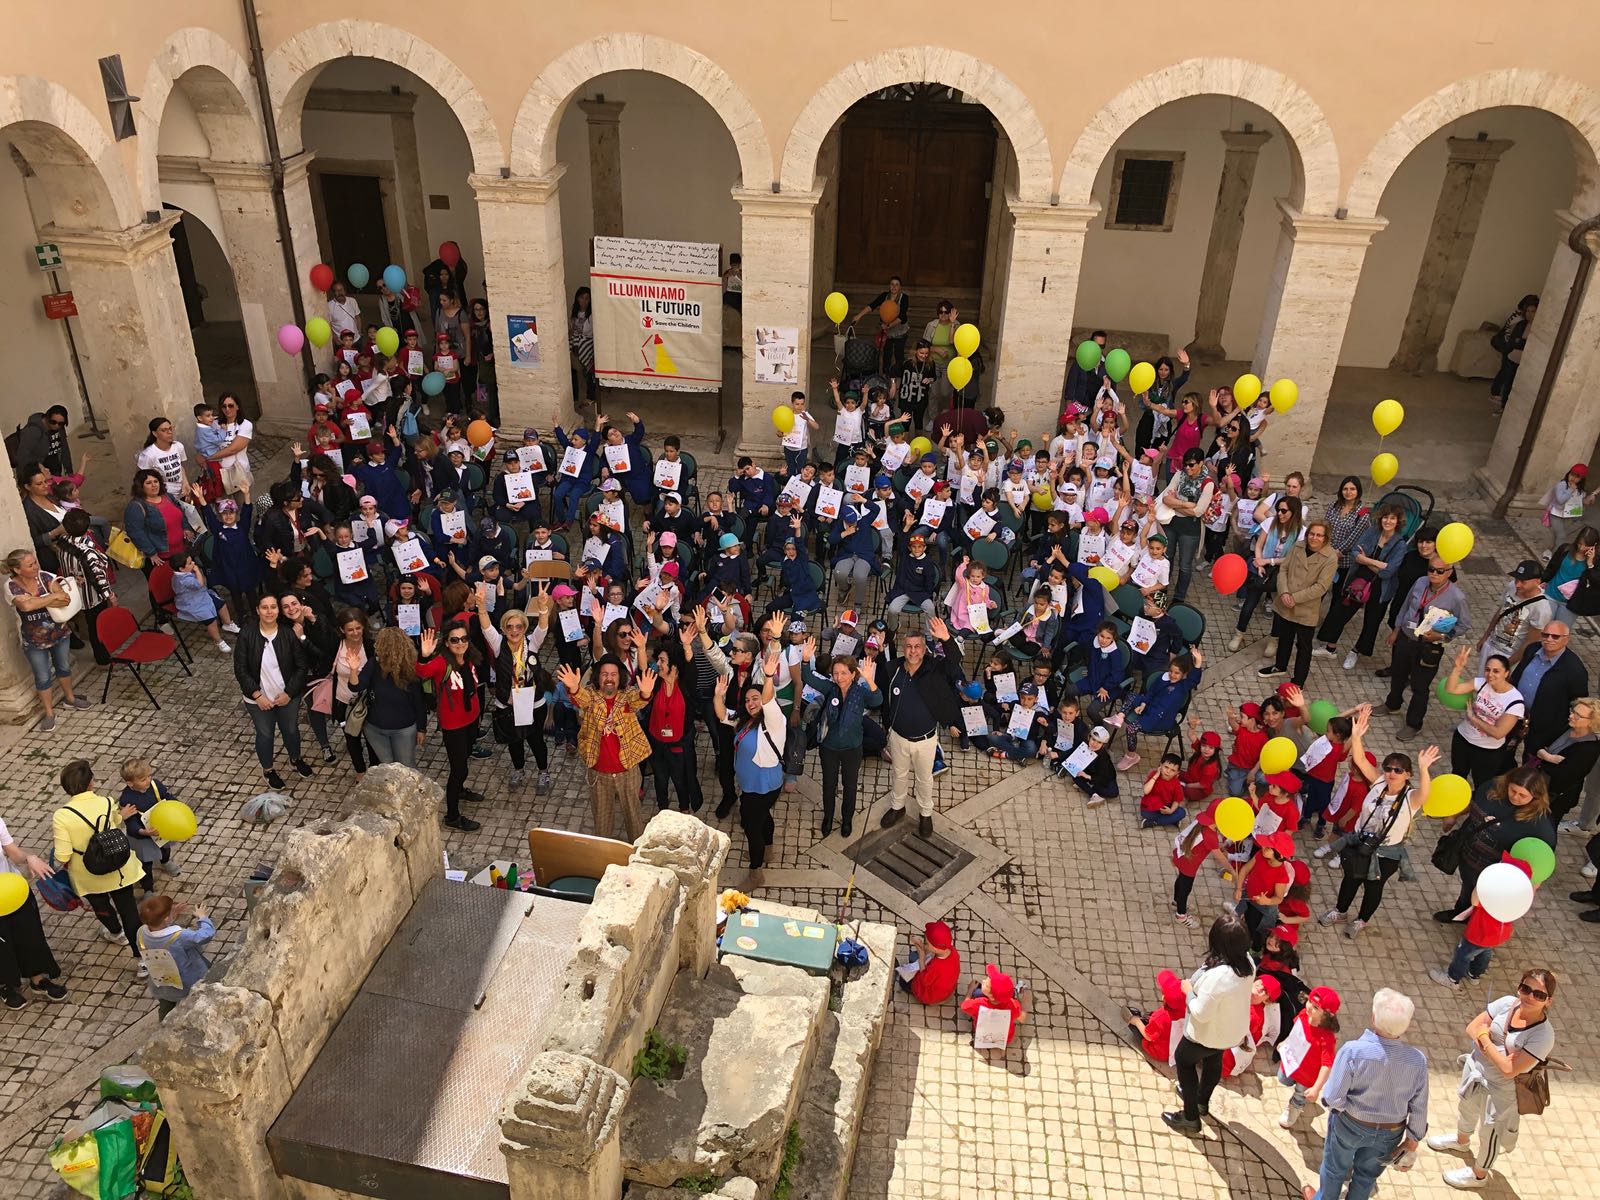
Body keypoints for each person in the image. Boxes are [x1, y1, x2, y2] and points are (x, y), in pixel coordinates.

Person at [1427, 968, 1557, 1189]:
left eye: (1539, 994)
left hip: (1502, 1090)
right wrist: (1492, 1047)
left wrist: (1485, 1040)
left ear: (1548, 1001)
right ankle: (1461, 1141)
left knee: (1491, 1132)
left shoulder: (1543, 1036)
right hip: (1476, 1071)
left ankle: (1479, 1175)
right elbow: (1472, 1028)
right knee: (1466, 1108)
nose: (1529, 996)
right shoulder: (1507, 1003)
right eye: (1526, 989)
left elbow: (1509, 1070)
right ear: (1519, 988)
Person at [1319, 709, 1436, 938]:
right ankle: (1340, 911)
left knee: (1373, 887)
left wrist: (1424, 769)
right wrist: (1357, 736)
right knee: (1350, 878)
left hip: (1386, 852)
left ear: (1407, 774)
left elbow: (1425, 795)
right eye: (1389, 768)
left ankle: (1361, 920)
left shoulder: (1410, 798)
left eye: (1398, 770)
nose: (1392, 773)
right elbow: (1360, 759)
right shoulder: (1379, 782)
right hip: (1360, 841)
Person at [1303, 988, 1429, 1200]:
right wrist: (1413, 1139)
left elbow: (1333, 1097)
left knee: (1334, 1171)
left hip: (1350, 1124)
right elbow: (1419, 1104)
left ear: (1373, 1018)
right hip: (1390, 1132)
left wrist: (1343, 1112)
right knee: (1366, 1178)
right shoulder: (1417, 1061)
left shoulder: (1353, 1051)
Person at [1162, 912, 1254, 1135]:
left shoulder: (1219, 977)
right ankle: (1202, 1101)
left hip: (1207, 1033)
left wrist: (1188, 993)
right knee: (1214, 1059)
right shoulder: (1247, 962)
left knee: (1185, 1062)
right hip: (1230, 1031)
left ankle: (1190, 1116)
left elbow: (1200, 1013)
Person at [52, 759, 145, 975]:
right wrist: (122, 816)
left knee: (101, 906)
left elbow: (62, 855)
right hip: (118, 867)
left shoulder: (62, 816)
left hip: (88, 873)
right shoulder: (106, 802)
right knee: (129, 911)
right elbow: (114, 823)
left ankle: (115, 933)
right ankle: (142, 960)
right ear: (90, 783)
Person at [879, 617, 964, 838]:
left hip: (926, 740)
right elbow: (878, 692)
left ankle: (926, 813)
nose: (913, 651)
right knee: (899, 774)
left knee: (924, 778)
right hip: (898, 737)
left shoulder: (935, 668)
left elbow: (955, 660)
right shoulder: (893, 669)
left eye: (917, 647)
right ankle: (898, 807)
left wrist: (946, 638)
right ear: (903, 649)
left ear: (924, 649)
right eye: (909, 646)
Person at [1434, 766, 1555, 922]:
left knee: (1486, 901)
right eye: (1513, 790)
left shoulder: (1540, 825)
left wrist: (1530, 887)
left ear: (1536, 796)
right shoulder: (1490, 788)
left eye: (1522, 795)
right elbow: (1472, 801)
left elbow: (1541, 861)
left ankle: (1479, 925)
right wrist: (1453, 815)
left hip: (1494, 870)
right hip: (1468, 855)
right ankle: (1461, 913)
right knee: (1468, 888)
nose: (1515, 797)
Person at [558, 655, 655, 842]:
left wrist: (646, 693)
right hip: (599, 774)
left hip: (628, 771)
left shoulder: (627, 696)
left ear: (620, 677)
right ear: (597, 677)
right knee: (602, 824)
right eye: (604, 674)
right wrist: (573, 688)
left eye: (613, 674)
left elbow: (639, 699)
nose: (609, 678)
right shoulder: (592, 696)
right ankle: (603, 861)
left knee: (634, 819)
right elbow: (582, 698)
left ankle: (638, 857)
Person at [1, 547, 91, 732]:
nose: (36, 566)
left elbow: (63, 600)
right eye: (30, 564)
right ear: (18, 570)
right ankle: (49, 713)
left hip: (59, 633)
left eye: (35, 562)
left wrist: (38, 600)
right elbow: (25, 606)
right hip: (33, 640)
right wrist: (51, 597)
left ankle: (70, 698)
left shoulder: (47, 576)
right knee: (42, 677)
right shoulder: (10, 585)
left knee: (64, 668)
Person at [801, 640, 882, 838]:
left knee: (850, 786)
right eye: (836, 673)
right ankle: (828, 817)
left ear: (853, 674)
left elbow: (877, 699)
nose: (839, 677)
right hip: (829, 747)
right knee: (829, 785)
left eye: (844, 673)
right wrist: (805, 660)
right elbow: (808, 678)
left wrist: (870, 680)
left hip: (852, 748)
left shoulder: (861, 692)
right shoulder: (830, 688)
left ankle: (847, 819)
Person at [1384, 556, 1471, 739]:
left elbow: (1463, 625)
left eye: (1439, 571)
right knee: (1398, 674)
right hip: (1406, 638)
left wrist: (1441, 636)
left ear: (1449, 572)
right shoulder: (1420, 582)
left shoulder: (1456, 597)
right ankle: (1392, 704)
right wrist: (1396, 630)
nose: (1433, 573)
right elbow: (1406, 606)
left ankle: (1413, 724)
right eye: (1431, 569)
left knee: (1420, 686)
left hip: (1428, 646)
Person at [233, 593, 312, 791]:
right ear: (258, 610)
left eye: (273, 607)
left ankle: (296, 759)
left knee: (291, 730)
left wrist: (289, 693)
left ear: (278, 610)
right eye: (265, 607)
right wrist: (257, 696)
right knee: (265, 734)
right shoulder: (247, 634)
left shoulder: (287, 634)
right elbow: (240, 669)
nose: (269, 611)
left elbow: (301, 666)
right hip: (258, 699)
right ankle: (268, 770)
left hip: (287, 696)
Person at [716, 645, 785, 868]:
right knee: (763, 817)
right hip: (750, 785)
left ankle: (756, 871)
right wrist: (718, 696)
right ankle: (768, 851)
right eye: (747, 700)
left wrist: (767, 676)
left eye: (755, 698)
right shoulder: (745, 719)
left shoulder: (774, 721)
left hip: (763, 785)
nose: (751, 703)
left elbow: (768, 700)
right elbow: (723, 715)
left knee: (751, 827)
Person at [1320, 503, 1407, 669]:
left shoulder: (1400, 544)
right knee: (1341, 610)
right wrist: (1377, 563)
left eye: (1392, 518)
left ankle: (1355, 651)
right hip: (1360, 579)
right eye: (1385, 517)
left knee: (1372, 621)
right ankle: (1330, 648)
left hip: (1381, 587)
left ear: (1398, 521)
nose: (1388, 521)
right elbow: (1355, 553)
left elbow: (1387, 572)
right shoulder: (1372, 532)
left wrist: (1365, 559)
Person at [417, 625, 487, 831]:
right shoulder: (440, 663)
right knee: (459, 769)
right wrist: (424, 656)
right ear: (446, 643)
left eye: (464, 638)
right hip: (453, 724)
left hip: (471, 719)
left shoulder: (469, 657)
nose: (460, 643)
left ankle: (461, 791)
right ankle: (452, 816)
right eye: (454, 640)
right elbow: (422, 672)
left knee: (464, 757)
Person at [0, 814, 68, 1008]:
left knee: (29, 935)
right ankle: (6, 985)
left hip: (13, 891)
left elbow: (12, 852)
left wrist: (29, 858)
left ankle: (37, 979)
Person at [1260, 518, 1337, 686]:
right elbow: (1284, 569)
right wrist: (1285, 592)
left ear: (1325, 538)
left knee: (1303, 646)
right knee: (1285, 638)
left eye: (1319, 535)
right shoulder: (1298, 545)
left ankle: (1298, 682)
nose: (1314, 538)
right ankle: (1280, 666)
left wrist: (1294, 598)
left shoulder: (1330, 557)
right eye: (1311, 534)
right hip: (1286, 600)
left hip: (1305, 607)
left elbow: (1321, 587)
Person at [1440, 648, 1525, 787]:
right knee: (1457, 775)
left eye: (1496, 671)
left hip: (1487, 751)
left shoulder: (1514, 701)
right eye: (1487, 669)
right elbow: (1451, 689)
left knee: (1482, 784)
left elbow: (1499, 733)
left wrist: (1473, 718)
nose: (1490, 674)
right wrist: (1458, 667)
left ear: (1506, 673)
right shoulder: (1481, 683)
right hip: (1463, 739)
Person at [1507, 621, 1588, 759]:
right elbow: (1517, 675)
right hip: (1515, 715)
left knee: (1531, 760)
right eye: (1546, 635)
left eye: (1555, 636)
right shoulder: (1532, 649)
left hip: (1544, 727)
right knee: (1505, 752)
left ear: (1566, 639)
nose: (1549, 639)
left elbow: (1579, 703)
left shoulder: (1575, 670)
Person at [352, 626, 428, 768]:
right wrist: (353, 671)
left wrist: (421, 729)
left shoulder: (410, 671)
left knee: (407, 767)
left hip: (404, 730)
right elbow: (356, 687)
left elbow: (419, 703)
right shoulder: (373, 665)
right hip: (375, 729)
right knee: (388, 767)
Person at [135, 895, 215, 1019]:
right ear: (166, 919)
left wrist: (170, 915)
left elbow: (158, 929)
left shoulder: (141, 932)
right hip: (187, 980)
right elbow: (205, 935)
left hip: (162, 980)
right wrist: (202, 917)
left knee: (166, 1004)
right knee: (196, 1000)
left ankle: (163, 1021)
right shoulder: (179, 937)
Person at [1276, 986, 1341, 1129]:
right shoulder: (1303, 1014)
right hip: (1292, 1062)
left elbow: (1327, 1064)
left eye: (1316, 1007)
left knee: (1300, 1094)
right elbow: (1295, 1032)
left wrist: (1316, 1088)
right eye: (1310, 1002)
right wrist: (1285, 1042)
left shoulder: (1327, 1038)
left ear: (1327, 1014)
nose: (1310, 1007)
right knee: (1282, 1078)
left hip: (1307, 1075)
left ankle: (1294, 1108)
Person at [1155, 447, 1213, 604]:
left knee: (1185, 565)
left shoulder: (1207, 483)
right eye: (1186, 464)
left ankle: (1179, 597)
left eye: (1192, 465)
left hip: (1190, 528)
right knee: (1167, 557)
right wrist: (1187, 504)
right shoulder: (1180, 474)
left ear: (1201, 463)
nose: (1188, 468)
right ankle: (1162, 588)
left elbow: (1199, 511)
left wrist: (1176, 503)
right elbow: (1166, 498)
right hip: (1172, 522)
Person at [1476, 559, 1552, 675]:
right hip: (1491, 644)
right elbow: (1500, 612)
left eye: (1523, 581)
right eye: (1516, 579)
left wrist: (1507, 663)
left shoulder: (1541, 608)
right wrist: (1485, 637)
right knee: (1481, 682)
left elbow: (1531, 642)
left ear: (1537, 581)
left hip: (1510, 655)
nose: (1517, 584)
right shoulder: (1511, 587)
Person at [1540, 696, 1600, 830]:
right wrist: (1548, 757)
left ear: (1591, 722)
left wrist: (1543, 754)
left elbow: (1561, 775)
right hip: (1540, 785)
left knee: (1547, 828)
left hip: (1555, 797)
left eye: (1578, 715)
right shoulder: (1567, 726)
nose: (1572, 716)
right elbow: (1539, 743)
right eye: (1573, 711)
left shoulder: (1589, 749)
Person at [959, 962, 1030, 1048]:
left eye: (986, 984)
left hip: (982, 1037)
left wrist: (970, 990)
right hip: (1004, 1040)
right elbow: (1023, 1019)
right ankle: (1014, 992)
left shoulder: (978, 1004)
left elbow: (964, 1006)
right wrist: (1025, 1002)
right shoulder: (1013, 1005)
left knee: (976, 992)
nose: (983, 981)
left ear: (991, 996)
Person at [1488, 293, 1536, 412]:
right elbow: (1512, 338)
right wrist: (1509, 350)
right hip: (1513, 354)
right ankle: (1503, 404)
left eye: (1533, 311)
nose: (1530, 314)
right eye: (1528, 311)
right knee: (1508, 379)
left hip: (1521, 357)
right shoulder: (1520, 322)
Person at [18, 461, 68, 572]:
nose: (45, 486)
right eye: (39, 484)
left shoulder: (49, 496)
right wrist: (54, 532)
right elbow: (33, 541)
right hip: (57, 559)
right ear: (28, 486)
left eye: (45, 481)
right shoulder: (29, 511)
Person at [900, 920, 960, 1004]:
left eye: (927, 943)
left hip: (931, 996)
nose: (925, 944)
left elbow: (924, 980)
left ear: (935, 948)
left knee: (903, 981)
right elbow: (932, 950)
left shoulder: (936, 967)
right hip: (946, 990)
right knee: (913, 956)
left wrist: (922, 956)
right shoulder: (953, 951)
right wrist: (921, 945)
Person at [14, 406, 73, 477]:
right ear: (47, 418)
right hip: (39, 472)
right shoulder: (32, 431)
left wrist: (69, 470)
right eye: (53, 422)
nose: (56, 425)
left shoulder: (60, 428)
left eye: (60, 423)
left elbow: (64, 448)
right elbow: (23, 456)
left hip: (55, 469)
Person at [569, 286, 597, 405]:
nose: (584, 301)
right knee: (574, 369)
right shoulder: (575, 313)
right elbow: (573, 330)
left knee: (589, 372)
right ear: (577, 299)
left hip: (588, 344)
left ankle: (591, 396)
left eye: (587, 298)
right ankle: (574, 396)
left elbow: (592, 332)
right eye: (581, 298)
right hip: (576, 343)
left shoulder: (592, 314)